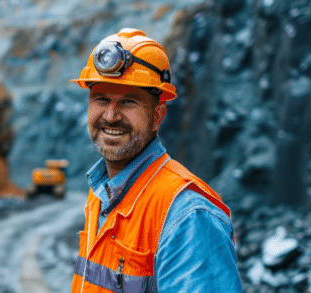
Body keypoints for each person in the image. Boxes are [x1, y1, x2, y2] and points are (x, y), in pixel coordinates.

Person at [69, 28, 242, 292]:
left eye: (128, 102)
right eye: (101, 99)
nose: (111, 116)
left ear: (158, 116)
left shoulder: (187, 215)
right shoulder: (102, 194)